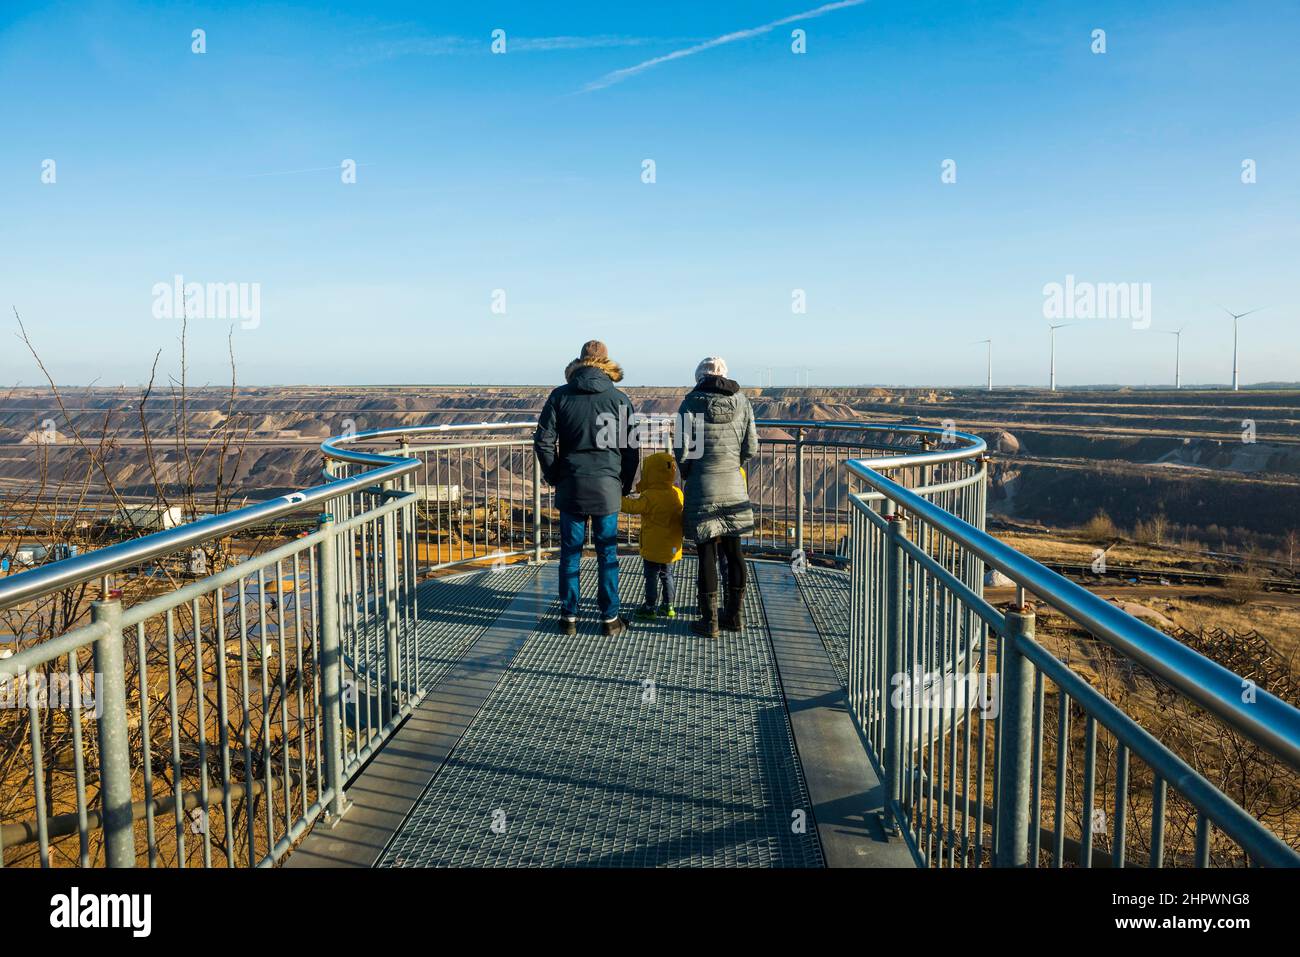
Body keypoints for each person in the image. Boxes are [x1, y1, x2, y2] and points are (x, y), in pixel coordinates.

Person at [534, 340, 638, 636]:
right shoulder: (619, 399)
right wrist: (624, 484)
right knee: (607, 553)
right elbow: (630, 449)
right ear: (607, 363)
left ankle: (568, 617)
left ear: (579, 361)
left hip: (571, 485)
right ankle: (610, 619)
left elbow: (543, 441)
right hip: (607, 487)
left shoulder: (559, 396)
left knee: (570, 552)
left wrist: (555, 475)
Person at [675, 357, 758, 637]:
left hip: (702, 485)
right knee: (735, 552)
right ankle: (735, 616)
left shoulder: (689, 404)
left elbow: (682, 450)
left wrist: (689, 473)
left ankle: (709, 621)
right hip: (733, 483)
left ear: (699, 376)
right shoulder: (743, 403)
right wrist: (733, 465)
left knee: (706, 552)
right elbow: (751, 446)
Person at [620, 451, 684, 621]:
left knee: (651, 577)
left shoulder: (650, 496)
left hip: (652, 547)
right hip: (671, 547)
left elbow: (633, 507)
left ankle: (650, 607)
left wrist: (616, 499)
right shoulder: (677, 493)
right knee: (667, 575)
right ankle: (669, 606)